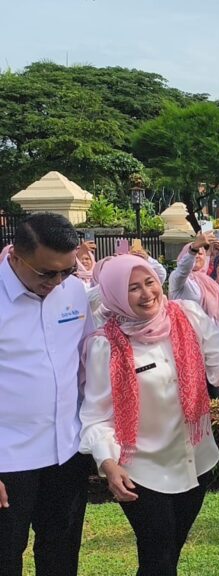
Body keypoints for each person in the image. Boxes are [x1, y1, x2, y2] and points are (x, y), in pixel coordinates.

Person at [79, 255, 219, 574]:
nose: (147, 293)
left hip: (196, 460)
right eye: (133, 288)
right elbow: (96, 414)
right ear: (114, 294)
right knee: (157, 555)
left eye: (149, 282)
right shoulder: (106, 345)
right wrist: (108, 462)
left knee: (171, 550)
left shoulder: (187, 315)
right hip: (141, 469)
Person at [0, 213, 93, 576]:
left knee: (61, 554)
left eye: (66, 271)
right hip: (9, 458)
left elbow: (86, 363)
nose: (56, 282)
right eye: (46, 273)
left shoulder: (74, 292)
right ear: (15, 256)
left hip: (66, 451)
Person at [170, 233, 219, 328]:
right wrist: (194, 248)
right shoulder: (178, 277)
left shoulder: (206, 279)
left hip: (211, 332)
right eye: (195, 253)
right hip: (187, 331)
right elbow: (184, 268)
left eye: (200, 254)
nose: (197, 256)